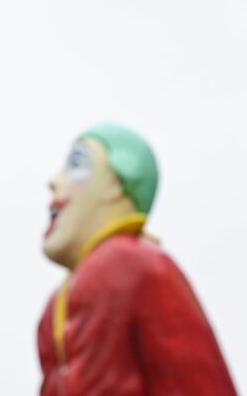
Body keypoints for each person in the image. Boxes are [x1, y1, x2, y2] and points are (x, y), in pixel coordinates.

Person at [38, 123, 236, 395]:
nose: (54, 182)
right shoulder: (55, 307)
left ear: (117, 183)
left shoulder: (138, 266)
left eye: (77, 164)